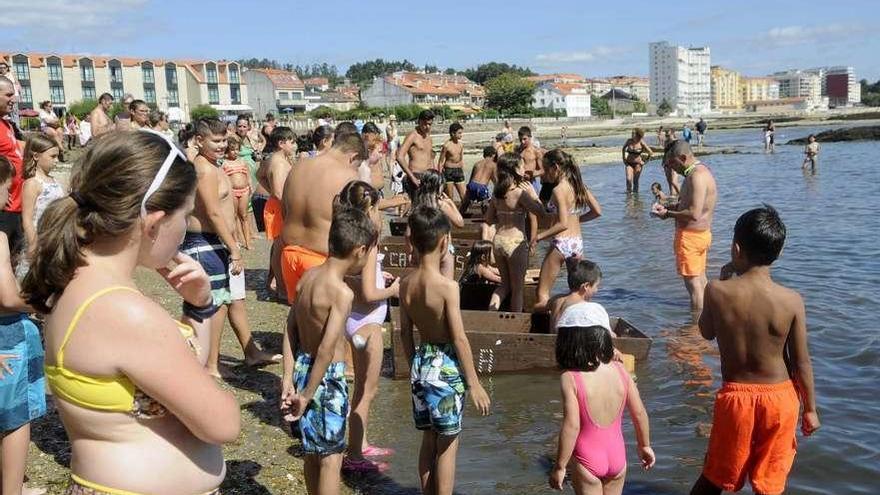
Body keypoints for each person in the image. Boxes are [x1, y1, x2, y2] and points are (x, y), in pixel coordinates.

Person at [21, 130, 240, 494]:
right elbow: (223, 424)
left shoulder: (77, 285)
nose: (185, 228)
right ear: (154, 222)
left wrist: (198, 307)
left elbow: (171, 375)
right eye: (185, 215)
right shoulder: (124, 312)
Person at [689, 206, 819, 495]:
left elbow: (706, 332)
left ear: (736, 248)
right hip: (781, 399)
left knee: (714, 476)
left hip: (736, 399)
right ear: (779, 252)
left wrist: (722, 281)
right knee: (770, 483)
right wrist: (810, 409)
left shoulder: (716, 290)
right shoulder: (791, 300)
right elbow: (802, 362)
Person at [281, 207, 378, 495]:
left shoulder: (307, 278)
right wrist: (309, 394)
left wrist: (287, 378)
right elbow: (326, 350)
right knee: (331, 460)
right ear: (360, 250)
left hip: (301, 368)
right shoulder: (342, 292)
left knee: (312, 453)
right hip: (326, 380)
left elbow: (289, 330)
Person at [399, 206, 491, 495]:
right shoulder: (448, 287)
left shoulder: (405, 284)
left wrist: (415, 362)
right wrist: (474, 383)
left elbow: (404, 332)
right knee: (448, 446)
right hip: (446, 367)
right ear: (443, 243)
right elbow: (460, 338)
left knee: (428, 441)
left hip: (421, 364)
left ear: (413, 243)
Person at [182, 119, 277, 377]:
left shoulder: (214, 165)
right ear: (200, 141)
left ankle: (249, 353)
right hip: (205, 243)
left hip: (217, 243)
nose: (222, 145)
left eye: (224, 140)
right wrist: (234, 248)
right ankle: (211, 364)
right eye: (216, 141)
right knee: (217, 304)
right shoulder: (204, 170)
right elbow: (213, 212)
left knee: (232, 299)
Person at [549, 303, 654, 494]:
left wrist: (560, 466)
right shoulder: (621, 371)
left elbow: (571, 426)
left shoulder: (571, 377)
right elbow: (639, 412)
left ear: (567, 342)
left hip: (586, 459)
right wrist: (644, 445)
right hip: (617, 458)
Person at [332, 181, 399, 472]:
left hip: (351, 317)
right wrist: (394, 289)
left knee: (359, 388)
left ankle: (361, 443)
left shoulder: (340, 234)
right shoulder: (368, 241)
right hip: (368, 321)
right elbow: (371, 294)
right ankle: (355, 457)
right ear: (369, 209)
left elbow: (354, 279)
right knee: (366, 391)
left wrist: (379, 276)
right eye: (376, 210)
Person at [0, 157, 46, 495]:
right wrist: (49, 301)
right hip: (7, 334)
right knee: (15, 419)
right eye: (5, 189)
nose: (7, 198)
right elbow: (8, 299)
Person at [281, 132, 366, 303]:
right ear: (353, 156)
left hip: (289, 253)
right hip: (320, 257)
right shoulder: (348, 176)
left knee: (298, 316)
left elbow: (284, 209)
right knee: (324, 322)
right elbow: (353, 226)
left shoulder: (299, 167)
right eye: (357, 165)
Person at [652, 140, 717, 311]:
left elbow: (693, 214)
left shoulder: (695, 176)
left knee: (694, 287)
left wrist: (667, 215)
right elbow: (690, 207)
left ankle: (695, 330)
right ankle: (708, 319)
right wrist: (668, 207)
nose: (671, 168)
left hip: (691, 238)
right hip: (702, 235)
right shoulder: (702, 172)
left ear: (682, 157)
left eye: (672, 163)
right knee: (701, 281)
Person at [534, 149, 602, 311]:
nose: (544, 173)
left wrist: (538, 237)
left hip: (561, 243)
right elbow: (597, 212)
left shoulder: (558, 190)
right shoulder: (579, 186)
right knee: (578, 293)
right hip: (577, 243)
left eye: (545, 168)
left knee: (541, 295)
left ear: (555, 167)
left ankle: (555, 316)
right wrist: (578, 219)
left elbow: (563, 224)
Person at [485, 153, 544, 312]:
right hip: (515, 242)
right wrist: (534, 196)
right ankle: (514, 321)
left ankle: (491, 315)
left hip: (498, 241)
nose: (524, 168)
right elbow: (540, 212)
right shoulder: (519, 192)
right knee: (517, 289)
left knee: (504, 286)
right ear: (515, 169)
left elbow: (489, 219)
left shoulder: (497, 193)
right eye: (522, 165)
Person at [18, 133, 64, 278]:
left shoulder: (54, 180)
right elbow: (27, 218)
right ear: (36, 156)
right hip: (39, 239)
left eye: (57, 156)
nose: (56, 160)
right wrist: (33, 243)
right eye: (52, 156)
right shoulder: (33, 183)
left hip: (54, 237)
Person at [408, 170, 465, 280]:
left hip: (422, 248)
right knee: (446, 283)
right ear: (438, 186)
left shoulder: (417, 205)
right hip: (443, 247)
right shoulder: (441, 205)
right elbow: (460, 222)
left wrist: (411, 251)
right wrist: (450, 202)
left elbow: (408, 232)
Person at [0, 77, 25, 259]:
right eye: (8, 95)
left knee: (14, 260)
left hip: (17, 205)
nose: (13, 99)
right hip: (4, 209)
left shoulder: (6, 124)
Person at [548, 259, 606, 333]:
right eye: (596, 286)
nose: (596, 290)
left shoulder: (557, 299)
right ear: (586, 286)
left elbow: (541, 307)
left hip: (553, 342)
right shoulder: (581, 307)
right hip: (567, 343)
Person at [222, 137, 253, 250]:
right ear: (227, 151)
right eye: (232, 150)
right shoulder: (225, 163)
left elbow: (248, 175)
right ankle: (236, 240)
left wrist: (250, 186)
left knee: (244, 216)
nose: (235, 152)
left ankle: (248, 242)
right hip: (232, 191)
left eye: (237, 149)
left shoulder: (242, 161)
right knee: (234, 216)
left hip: (244, 190)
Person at [397, 110, 435, 199]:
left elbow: (430, 158)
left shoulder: (428, 138)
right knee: (414, 207)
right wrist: (411, 177)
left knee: (428, 206)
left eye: (430, 124)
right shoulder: (413, 136)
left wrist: (434, 174)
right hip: (415, 174)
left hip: (428, 176)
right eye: (425, 124)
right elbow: (399, 156)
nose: (427, 127)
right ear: (419, 122)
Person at [459, 146, 497, 215]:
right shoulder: (493, 165)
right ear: (493, 155)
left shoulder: (477, 163)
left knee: (466, 202)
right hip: (482, 187)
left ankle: (459, 214)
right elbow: (495, 180)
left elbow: (471, 178)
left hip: (472, 184)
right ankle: (487, 218)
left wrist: (468, 189)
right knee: (485, 204)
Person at [438, 123, 466, 202]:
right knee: (450, 196)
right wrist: (440, 174)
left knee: (464, 195)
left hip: (459, 170)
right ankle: (450, 212)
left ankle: (461, 212)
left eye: (461, 133)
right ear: (453, 133)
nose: (461, 135)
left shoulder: (461, 144)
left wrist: (462, 168)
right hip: (449, 171)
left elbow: (461, 158)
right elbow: (441, 161)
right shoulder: (446, 145)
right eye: (459, 133)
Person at [622, 128, 653, 193]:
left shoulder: (641, 142)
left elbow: (650, 152)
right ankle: (629, 194)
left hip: (638, 164)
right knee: (628, 179)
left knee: (635, 181)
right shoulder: (629, 141)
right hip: (629, 163)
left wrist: (645, 162)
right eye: (631, 133)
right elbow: (623, 149)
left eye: (633, 133)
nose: (632, 135)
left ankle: (636, 198)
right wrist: (624, 159)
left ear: (637, 135)